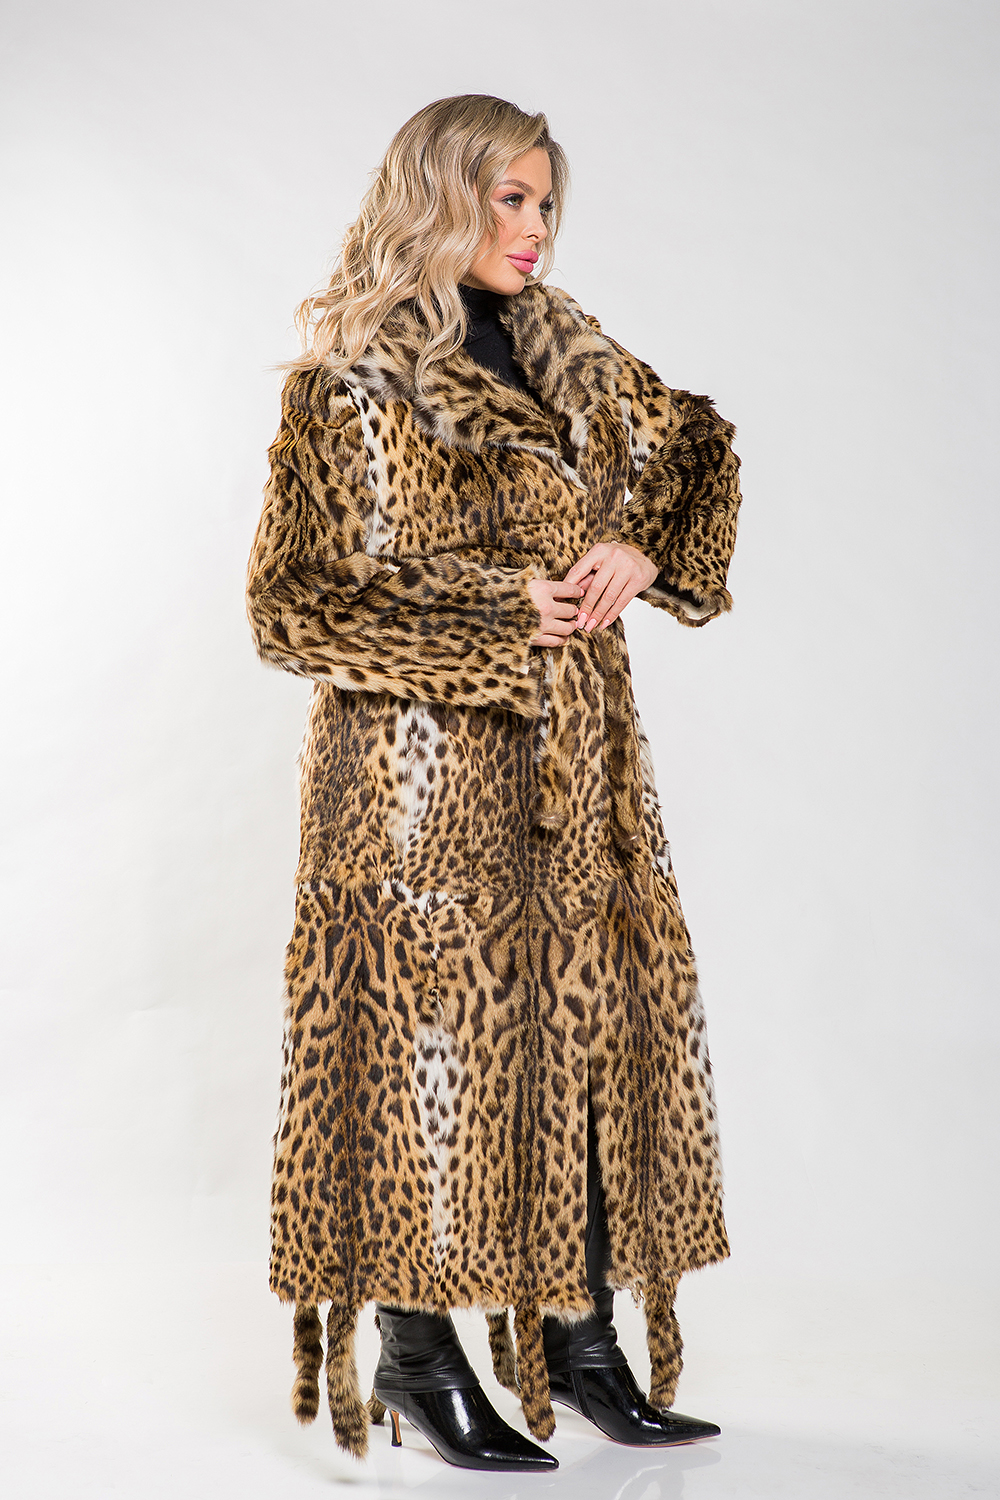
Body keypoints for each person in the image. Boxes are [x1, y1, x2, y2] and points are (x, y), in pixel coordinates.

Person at [247, 94, 741, 1474]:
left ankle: (581, 1349)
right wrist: (493, 608)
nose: (534, 229)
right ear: (439, 196)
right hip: (419, 787)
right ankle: (419, 1362)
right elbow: (291, 606)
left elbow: (697, 446)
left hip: (578, 769)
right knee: (429, 1063)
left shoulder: (567, 350)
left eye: (544, 202)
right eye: (507, 200)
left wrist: (641, 546)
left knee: (583, 1044)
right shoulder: (349, 381)